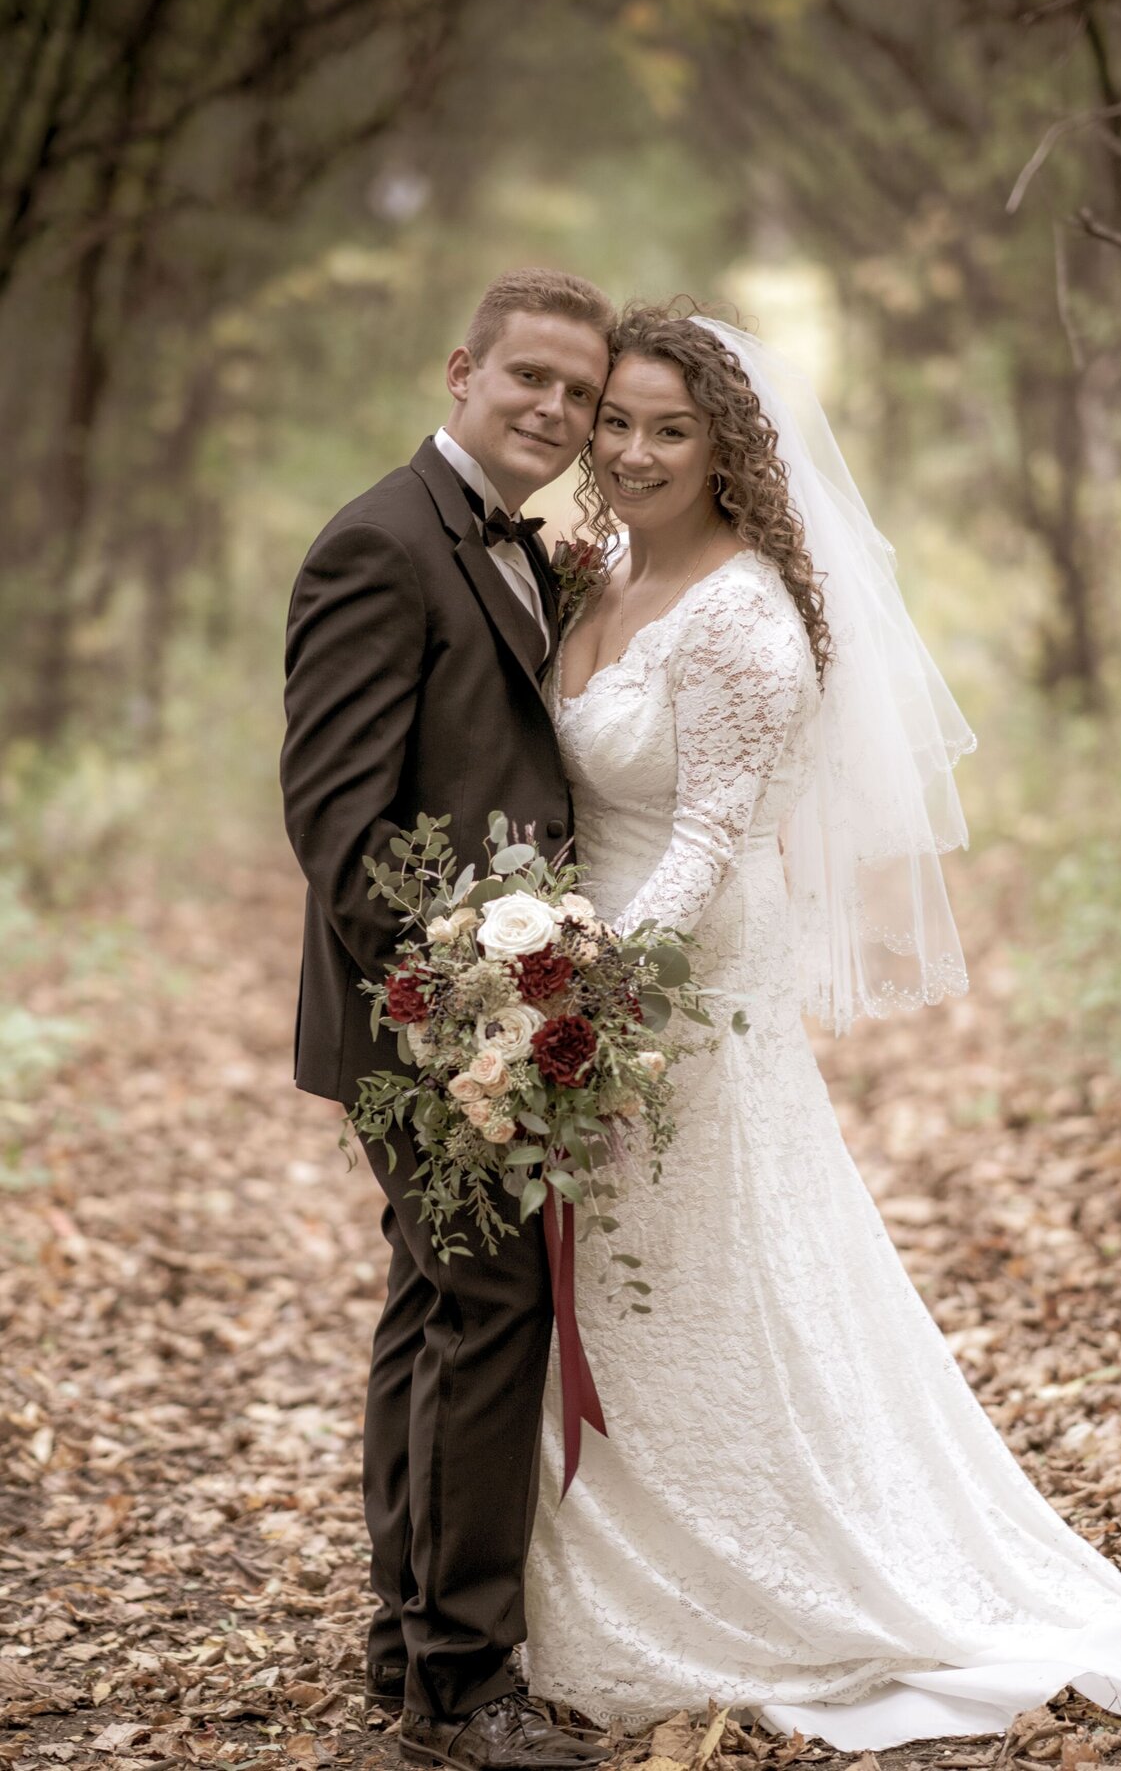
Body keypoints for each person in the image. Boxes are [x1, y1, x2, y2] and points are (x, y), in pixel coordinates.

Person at [522, 303, 1121, 1753]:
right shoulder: (602, 570)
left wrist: (580, 1002)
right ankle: (587, 1559)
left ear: (730, 444)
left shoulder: (752, 617)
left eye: (669, 428)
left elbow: (707, 845)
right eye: (616, 421)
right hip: (583, 959)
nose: (632, 451)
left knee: (692, 1270)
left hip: (678, 985)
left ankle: (768, 1579)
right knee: (610, 1282)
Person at [280, 268, 615, 1771]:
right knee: (492, 1315)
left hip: (472, 1011)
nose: (551, 409)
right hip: (428, 1027)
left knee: (436, 1310)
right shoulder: (380, 540)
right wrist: (459, 1013)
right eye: (528, 378)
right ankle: (464, 1690)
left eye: (581, 397)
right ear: (462, 367)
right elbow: (342, 830)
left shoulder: (516, 545)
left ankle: (405, 1640)